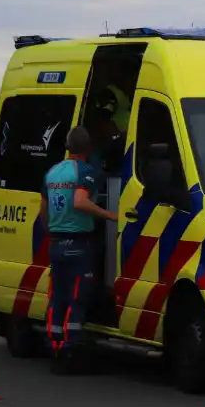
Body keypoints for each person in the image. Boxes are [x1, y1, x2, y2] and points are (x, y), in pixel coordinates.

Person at [40, 126, 118, 374]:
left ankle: (53, 345)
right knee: (77, 298)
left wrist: (51, 232)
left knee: (58, 297)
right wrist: (111, 216)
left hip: (56, 243)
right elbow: (80, 202)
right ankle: (69, 349)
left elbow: (43, 212)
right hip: (79, 244)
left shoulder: (52, 172)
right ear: (89, 148)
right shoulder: (86, 172)